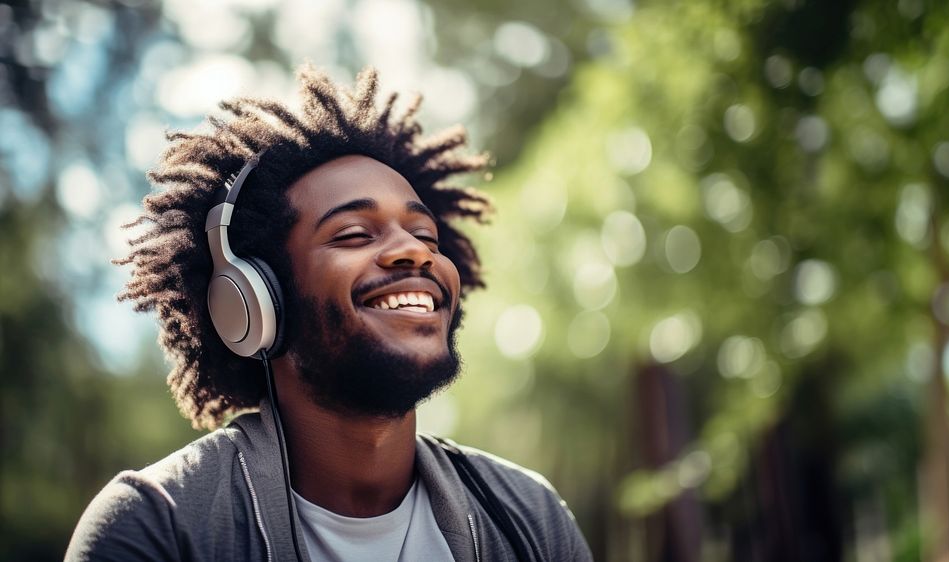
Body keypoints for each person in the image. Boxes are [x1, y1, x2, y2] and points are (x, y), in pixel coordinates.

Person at [65, 66, 592, 561]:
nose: (415, 252)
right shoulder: (157, 526)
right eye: (354, 235)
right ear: (253, 300)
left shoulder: (531, 520)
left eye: (425, 235)